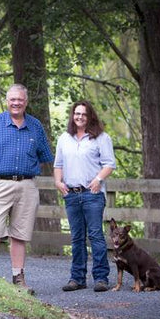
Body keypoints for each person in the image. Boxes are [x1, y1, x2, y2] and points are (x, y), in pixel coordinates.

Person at [0, 84, 54, 295]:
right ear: (7, 101)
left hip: (27, 186)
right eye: (12, 100)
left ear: (25, 102)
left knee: (20, 234)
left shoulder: (36, 126)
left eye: (20, 100)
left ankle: (18, 279)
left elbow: (45, 157)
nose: (16, 103)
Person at [53, 100, 116, 292]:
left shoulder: (101, 138)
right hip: (71, 195)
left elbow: (109, 164)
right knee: (77, 238)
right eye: (76, 113)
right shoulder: (65, 138)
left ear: (90, 117)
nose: (79, 117)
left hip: (93, 194)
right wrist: (58, 182)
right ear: (73, 116)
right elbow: (58, 164)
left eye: (84, 114)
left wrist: (98, 179)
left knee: (96, 235)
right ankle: (77, 278)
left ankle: (101, 278)